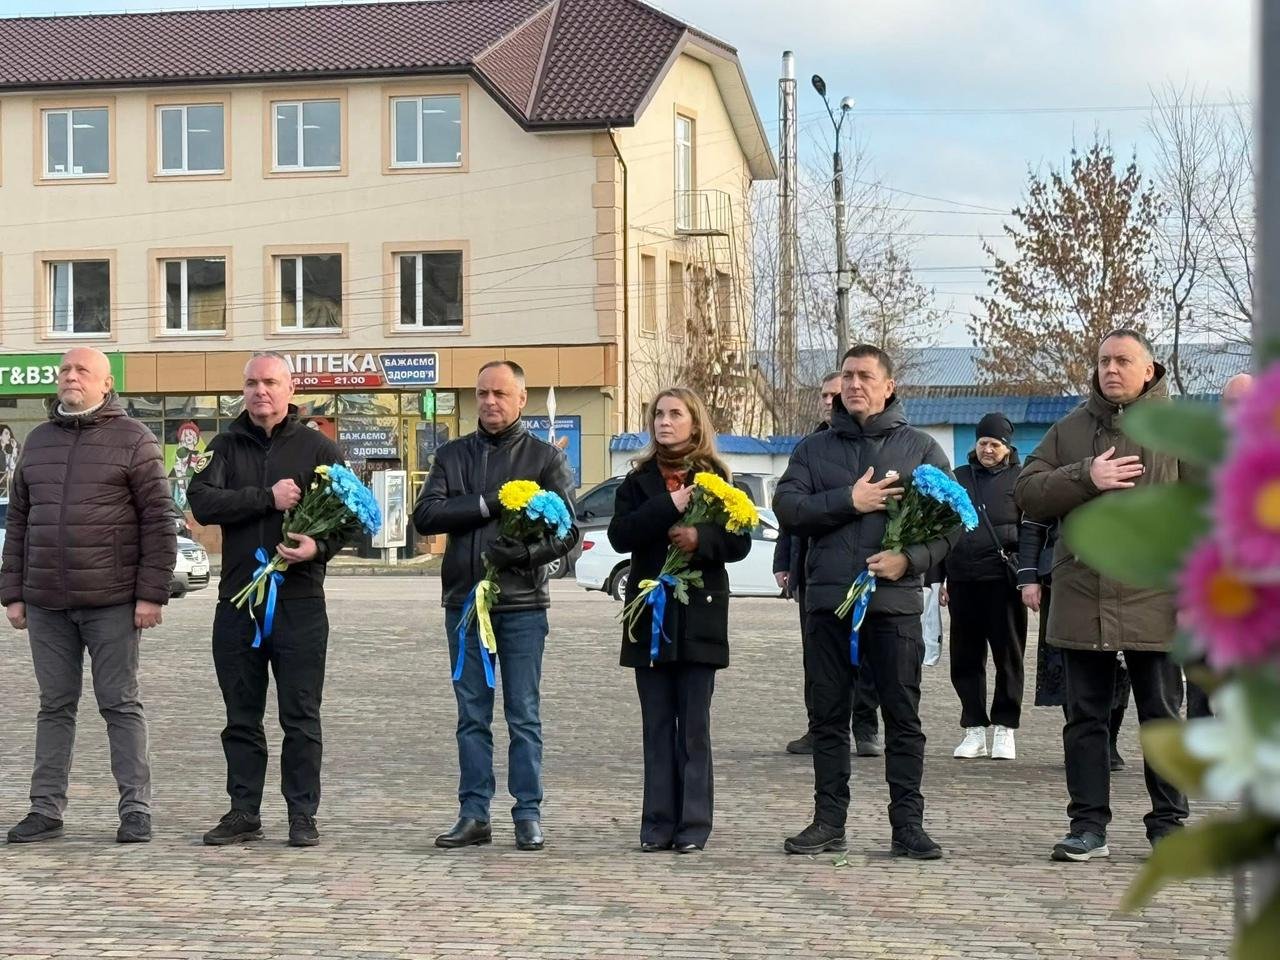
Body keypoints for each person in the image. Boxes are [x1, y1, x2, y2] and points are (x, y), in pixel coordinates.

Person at [774, 344, 957, 861]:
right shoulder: (813, 449)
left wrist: (909, 559)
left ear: (888, 386)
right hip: (828, 603)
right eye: (848, 376)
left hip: (893, 606)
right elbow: (788, 507)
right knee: (828, 716)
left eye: (866, 377)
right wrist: (848, 501)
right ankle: (828, 821)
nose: (855, 385)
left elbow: (953, 525)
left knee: (903, 718)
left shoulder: (920, 448)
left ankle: (908, 825)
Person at [1016, 329, 1189, 863]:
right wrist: (1085, 476)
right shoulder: (1069, 430)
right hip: (1082, 592)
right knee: (1084, 718)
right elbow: (1027, 492)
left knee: (1161, 717)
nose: (1111, 369)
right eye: (1103, 361)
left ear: (1149, 370)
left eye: (1123, 361)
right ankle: (1088, 826)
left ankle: (1169, 826)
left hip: (1157, 593)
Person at [3, 348, 176, 845]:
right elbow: (19, 521)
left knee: (120, 704)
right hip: (46, 602)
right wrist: (12, 592)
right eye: (65, 370)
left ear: (106, 384)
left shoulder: (134, 439)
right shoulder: (38, 441)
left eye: (82, 370)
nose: (71, 377)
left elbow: (158, 521)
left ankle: (135, 810)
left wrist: (151, 594)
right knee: (54, 705)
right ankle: (45, 809)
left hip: (112, 601)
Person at [188, 352, 353, 849]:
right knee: (241, 715)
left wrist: (318, 547)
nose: (261, 391)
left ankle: (302, 814)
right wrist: (266, 498)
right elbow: (201, 502)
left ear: (290, 389)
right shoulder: (223, 446)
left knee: (300, 715)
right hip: (238, 603)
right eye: (252, 383)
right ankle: (244, 811)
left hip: (300, 603)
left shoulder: (319, 448)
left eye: (271, 382)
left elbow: (351, 518)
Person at [413, 360, 578, 852]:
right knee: (472, 715)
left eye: (500, 393)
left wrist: (525, 554)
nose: (489, 401)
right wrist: (486, 504)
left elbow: (568, 532)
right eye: (482, 393)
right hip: (465, 604)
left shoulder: (545, 459)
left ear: (521, 399)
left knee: (523, 714)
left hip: (522, 605)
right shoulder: (452, 455)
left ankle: (528, 813)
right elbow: (426, 515)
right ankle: (474, 813)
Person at [607, 388, 750, 853]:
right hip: (650, 615)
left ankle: (693, 825)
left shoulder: (717, 479)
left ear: (695, 422)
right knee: (656, 726)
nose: (664, 422)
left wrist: (700, 538)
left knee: (693, 727)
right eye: (658, 415)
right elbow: (620, 535)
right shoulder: (637, 481)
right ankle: (657, 824)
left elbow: (740, 542)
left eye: (675, 414)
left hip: (699, 617)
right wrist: (669, 506)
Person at [776, 372, 883, 759]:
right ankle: (818, 725)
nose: (828, 400)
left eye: (833, 394)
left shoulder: (873, 446)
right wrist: (784, 561)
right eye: (824, 394)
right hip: (814, 568)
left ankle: (865, 726)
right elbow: (791, 510)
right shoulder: (811, 446)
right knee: (817, 655)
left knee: (864, 652)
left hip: (862, 568)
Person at [942, 413, 1028, 761]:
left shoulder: (1021, 479)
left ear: (1007, 447)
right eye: (983, 443)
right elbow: (940, 527)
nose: (988, 450)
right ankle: (974, 727)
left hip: (1003, 582)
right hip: (962, 579)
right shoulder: (958, 478)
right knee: (965, 657)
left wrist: (1030, 575)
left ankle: (1005, 727)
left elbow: (1033, 528)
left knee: (1008, 655)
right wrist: (938, 578)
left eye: (995, 444)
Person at [1019, 520, 1130, 771]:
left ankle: (1109, 740)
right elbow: (1033, 523)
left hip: (1120, 574)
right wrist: (1028, 577)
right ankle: (1083, 743)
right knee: (1065, 660)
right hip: (1062, 577)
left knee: (1118, 661)